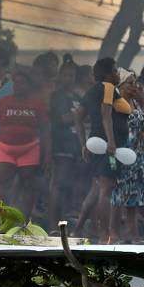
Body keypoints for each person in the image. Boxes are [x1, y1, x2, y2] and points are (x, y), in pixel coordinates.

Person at [74, 57, 127, 243]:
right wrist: (111, 142)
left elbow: (78, 118)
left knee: (97, 188)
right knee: (106, 188)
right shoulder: (108, 87)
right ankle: (105, 234)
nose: (117, 74)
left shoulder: (90, 91)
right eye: (115, 70)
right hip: (107, 146)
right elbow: (106, 114)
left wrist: (83, 143)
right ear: (107, 74)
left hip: (97, 143)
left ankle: (78, 229)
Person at [0, 67, 49, 218]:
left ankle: (25, 220)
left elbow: (45, 131)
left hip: (30, 149)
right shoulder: (3, 102)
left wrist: (47, 155)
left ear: (29, 85)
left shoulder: (37, 104)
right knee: (2, 185)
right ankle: (2, 219)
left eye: (22, 83)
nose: (18, 86)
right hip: (4, 148)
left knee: (28, 185)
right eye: (16, 83)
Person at [112, 74, 144, 242]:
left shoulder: (136, 104)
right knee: (121, 195)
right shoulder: (116, 105)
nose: (134, 87)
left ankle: (138, 234)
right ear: (121, 87)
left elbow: (138, 133)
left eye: (135, 83)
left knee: (139, 196)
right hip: (122, 153)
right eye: (130, 84)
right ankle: (117, 232)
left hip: (137, 156)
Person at [48, 59, 84, 230]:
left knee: (72, 187)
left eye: (71, 75)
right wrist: (81, 115)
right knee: (59, 185)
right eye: (65, 75)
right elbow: (65, 118)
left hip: (76, 146)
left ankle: (65, 225)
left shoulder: (77, 97)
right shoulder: (57, 96)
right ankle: (53, 225)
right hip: (61, 146)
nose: (68, 78)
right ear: (60, 76)